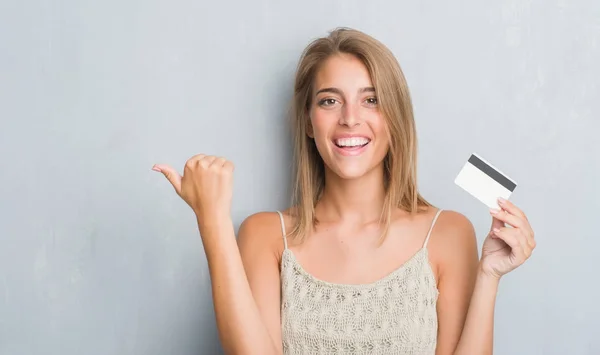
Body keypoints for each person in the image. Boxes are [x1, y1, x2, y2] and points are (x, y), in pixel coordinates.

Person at [152, 27, 536, 355]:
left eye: (371, 100)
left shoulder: (449, 233)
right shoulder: (265, 235)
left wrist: (490, 276)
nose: (350, 117)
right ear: (308, 121)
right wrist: (213, 220)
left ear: (394, 118)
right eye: (330, 100)